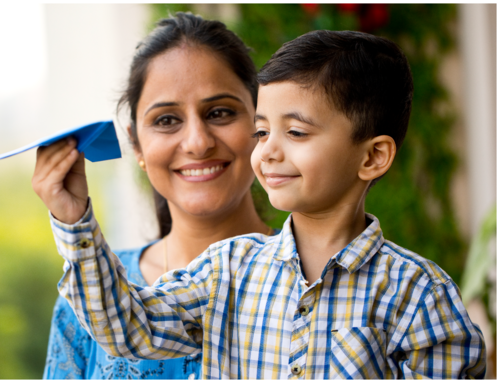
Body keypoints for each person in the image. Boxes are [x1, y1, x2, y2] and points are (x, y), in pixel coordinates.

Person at [37, 30, 487, 379]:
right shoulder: (226, 269)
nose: (268, 151)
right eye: (262, 131)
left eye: (295, 132)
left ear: (372, 156)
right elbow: (123, 328)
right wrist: (75, 221)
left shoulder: (419, 293)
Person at [38, 12, 275, 379]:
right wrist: (72, 219)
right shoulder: (87, 301)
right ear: (136, 145)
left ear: (260, 126)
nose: (197, 142)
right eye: (166, 120)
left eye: (220, 112)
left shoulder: (323, 281)